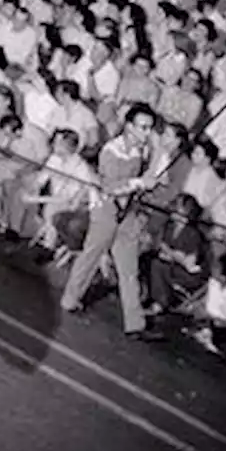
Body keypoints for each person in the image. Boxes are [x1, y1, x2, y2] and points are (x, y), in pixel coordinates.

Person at [59, 103, 165, 340]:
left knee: (129, 270)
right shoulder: (111, 150)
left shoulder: (141, 149)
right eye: (142, 127)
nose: (147, 133)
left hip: (127, 215)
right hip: (106, 212)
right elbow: (109, 187)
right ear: (129, 126)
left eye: (150, 128)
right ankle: (70, 299)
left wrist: (156, 158)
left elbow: (148, 177)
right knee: (90, 257)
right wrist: (138, 184)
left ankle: (135, 324)